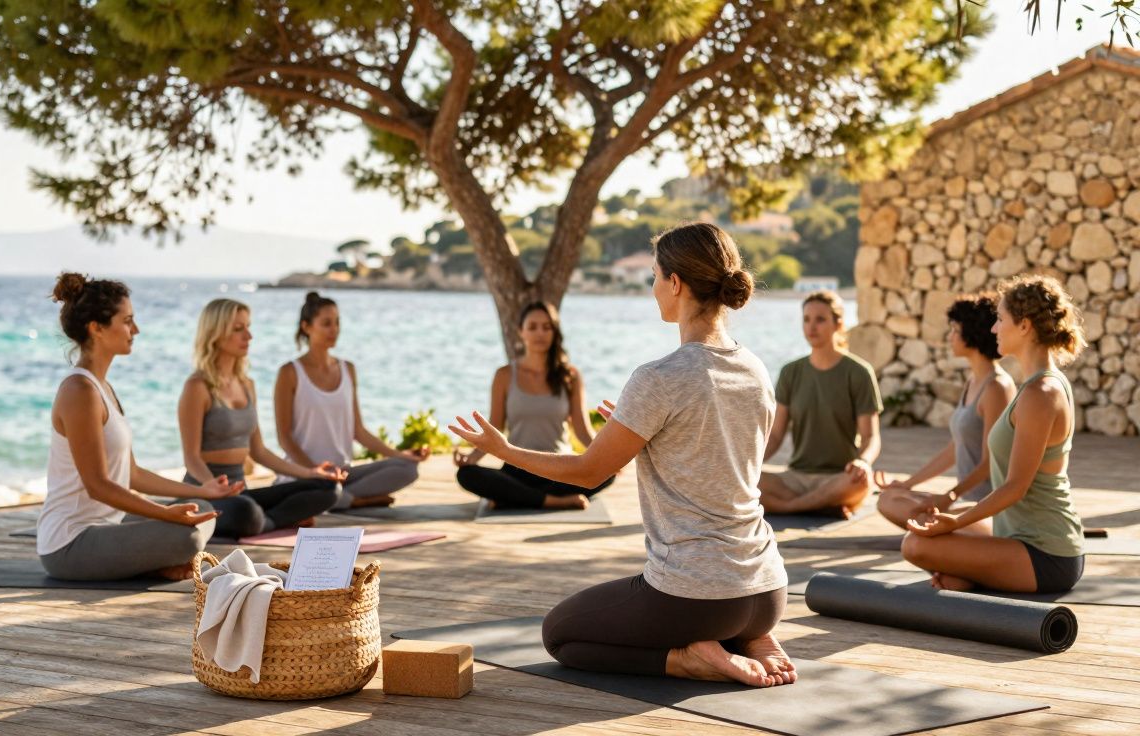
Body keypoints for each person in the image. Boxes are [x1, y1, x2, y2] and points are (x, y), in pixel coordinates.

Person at [449, 223, 793, 688]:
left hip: (698, 595)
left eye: (654, 276)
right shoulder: (754, 368)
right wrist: (637, 426)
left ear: (675, 283)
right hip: (768, 589)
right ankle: (752, 638)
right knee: (719, 614)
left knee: (561, 635)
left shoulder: (659, 377)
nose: (653, 289)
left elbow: (589, 472)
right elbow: (709, 445)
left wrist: (503, 449)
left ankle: (689, 659)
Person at [38, 273, 242, 582]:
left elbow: (131, 474)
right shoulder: (79, 391)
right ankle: (160, 560)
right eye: (127, 321)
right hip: (70, 543)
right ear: (97, 328)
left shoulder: (102, 387)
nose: (136, 330)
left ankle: (157, 559)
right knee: (186, 536)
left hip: (109, 526)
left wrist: (199, 489)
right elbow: (98, 485)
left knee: (201, 507)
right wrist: (165, 514)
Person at [904, 275, 1086, 593]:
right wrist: (950, 512)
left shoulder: (1041, 392)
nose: (993, 328)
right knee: (924, 528)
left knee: (916, 546)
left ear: (1025, 326)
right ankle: (974, 575)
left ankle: (976, 575)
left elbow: (1015, 487)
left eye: (1000, 319)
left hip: (1047, 555)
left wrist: (956, 520)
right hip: (1015, 534)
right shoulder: (1034, 385)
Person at [177, 299, 344, 539]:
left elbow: (259, 451)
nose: (249, 336)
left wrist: (309, 472)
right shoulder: (197, 386)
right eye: (238, 329)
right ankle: (272, 521)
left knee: (329, 489)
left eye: (248, 326)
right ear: (215, 334)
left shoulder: (247, 385)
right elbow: (191, 458)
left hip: (241, 493)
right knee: (246, 511)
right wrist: (214, 488)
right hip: (204, 494)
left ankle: (266, 521)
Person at [273, 292, 428, 510]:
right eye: (326, 323)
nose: (334, 329)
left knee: (407, 469)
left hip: (342, 473)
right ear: (306, 327)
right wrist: (314, 471)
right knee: (319, 490)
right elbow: (284, 437)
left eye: (337, 322)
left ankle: (342, 499)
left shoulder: (348, 369)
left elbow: (358, 431)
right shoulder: (289, 373)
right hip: (304, 475)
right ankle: (351, 500)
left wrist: (399, 454)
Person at [454, 302, 613, 510]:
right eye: (533, 327)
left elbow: (582, 431)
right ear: (521, 331)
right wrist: (471, 457)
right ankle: (554, 501)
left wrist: (609, 458)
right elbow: (495, 427)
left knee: (607, 474)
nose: (540, 333)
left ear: (555, 332)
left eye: (547, 327)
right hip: (517, 468)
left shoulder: (570, 376)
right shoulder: (504, 375)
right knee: (467, 474)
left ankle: (515, 498)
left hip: (560, 469)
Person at [877, 294, 1014, 529]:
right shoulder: (974, 381)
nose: (950, 336)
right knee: (889, 499)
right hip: (963, 499)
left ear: (971, 333)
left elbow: (990, 461)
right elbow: (956, 448)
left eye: (954, 329)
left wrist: (949, 496)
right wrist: (908, 484)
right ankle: (939, 529)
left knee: (911, 515)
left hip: (985, 506)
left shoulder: (996, 388)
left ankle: (948, 531)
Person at [758, 291, 882, 518]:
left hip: (840, 477)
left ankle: (789, 507)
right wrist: (749, 465)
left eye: (820, 319)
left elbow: (870, 437)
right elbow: (775, 435)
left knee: (861, 482)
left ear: (838, 324)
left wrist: (863, 462)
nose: (811, 327)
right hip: (796, 478)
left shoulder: (859, 373)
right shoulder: (790, 372)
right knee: (749, 481)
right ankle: (822, 506)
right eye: (806, 319)